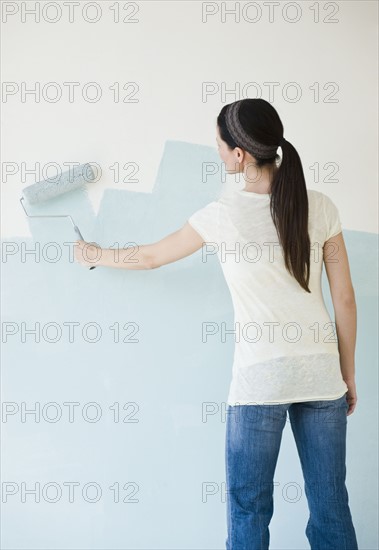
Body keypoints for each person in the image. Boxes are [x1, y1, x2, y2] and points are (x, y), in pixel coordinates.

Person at [74, 98, 359, 550]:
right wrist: (347, 374)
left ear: (240, 155)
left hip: (260, 381)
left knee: (249, 509)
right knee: (330, 505)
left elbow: (149, 257)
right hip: (321, 376)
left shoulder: (223, 214)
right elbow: (344, 297)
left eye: (219, 144)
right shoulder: (320, 206)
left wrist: (95, 255)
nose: (217, 151)